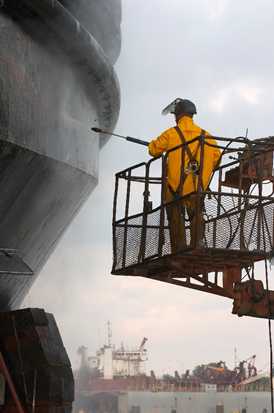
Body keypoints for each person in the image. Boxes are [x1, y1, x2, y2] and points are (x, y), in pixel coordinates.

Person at [148, 98, 221, 252]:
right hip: (198, 189)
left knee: (175, 217)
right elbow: (217, 160)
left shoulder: (171, 134)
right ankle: (197, 245)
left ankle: (179, 248)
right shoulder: (207, 136)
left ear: (178, 115)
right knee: (197, 216)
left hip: (175, 189)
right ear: (192, 115)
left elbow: (153, 150)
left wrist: (152, 145)